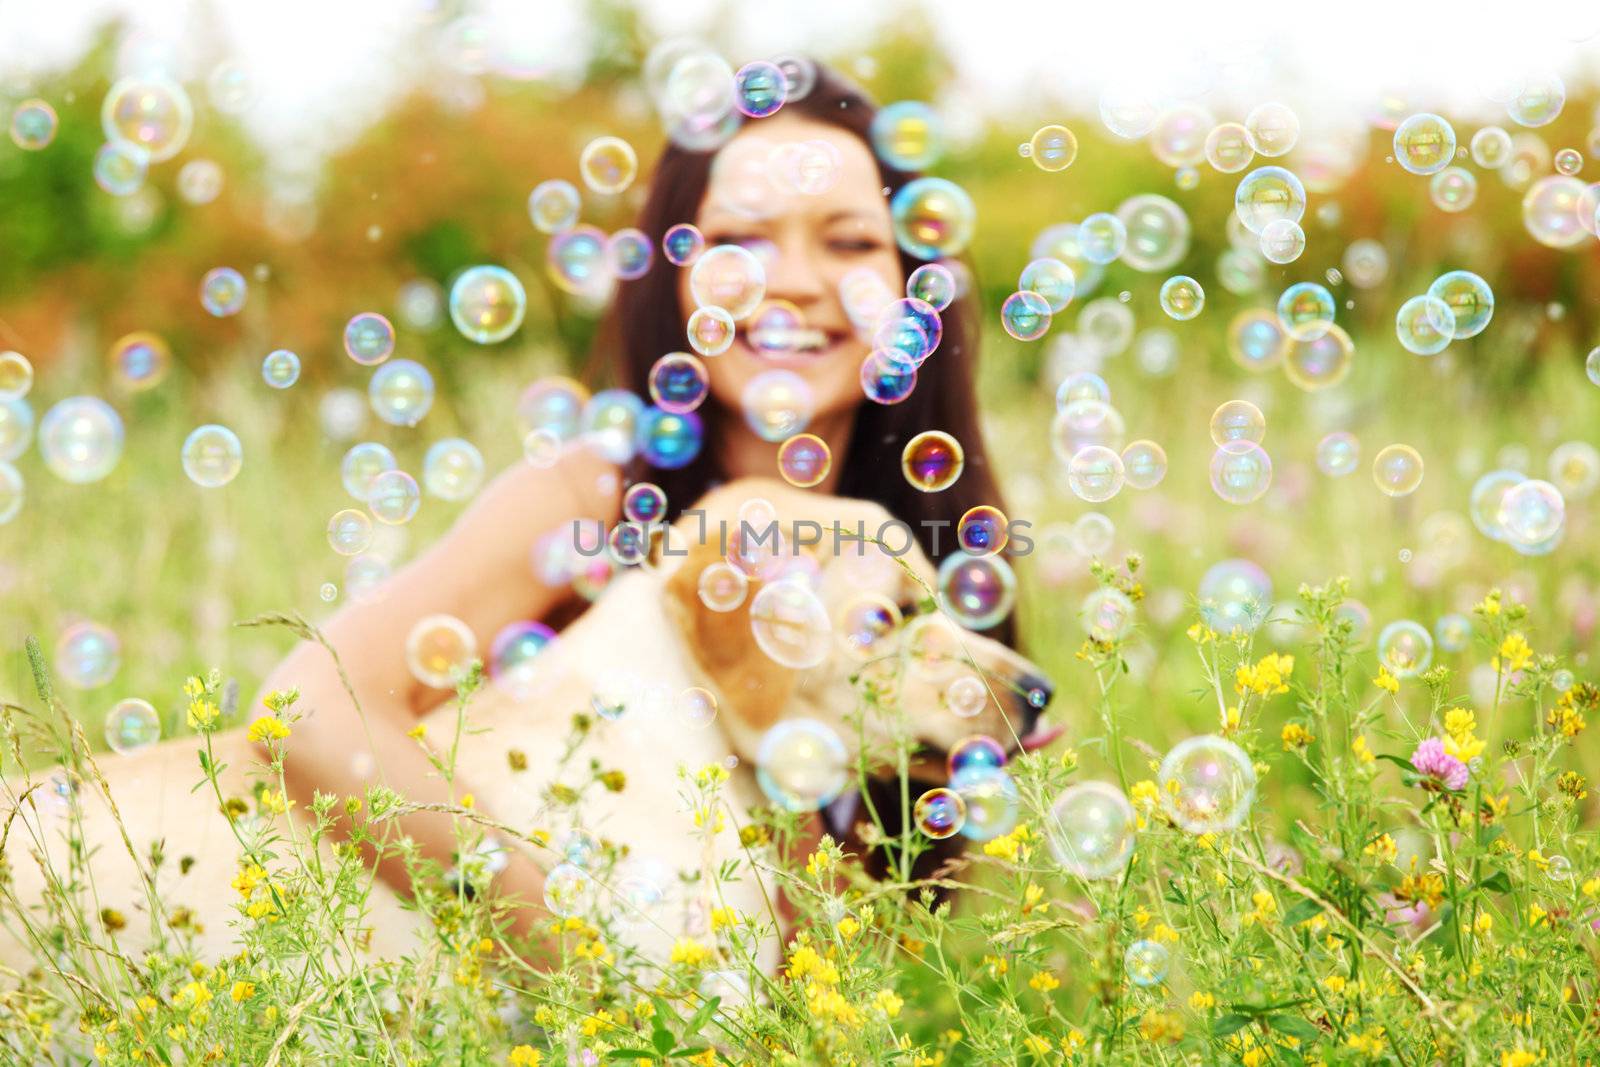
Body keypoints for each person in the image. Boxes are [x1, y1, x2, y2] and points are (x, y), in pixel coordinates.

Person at [259, 61, 1014, 937]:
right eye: (742, 240)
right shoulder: (593, 499)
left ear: (915, 283)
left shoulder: (899, 569)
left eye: (849, 243)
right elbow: (306, 712)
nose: (798, 281)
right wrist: (569, 941)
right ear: (673, 273)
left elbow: (800, 965)